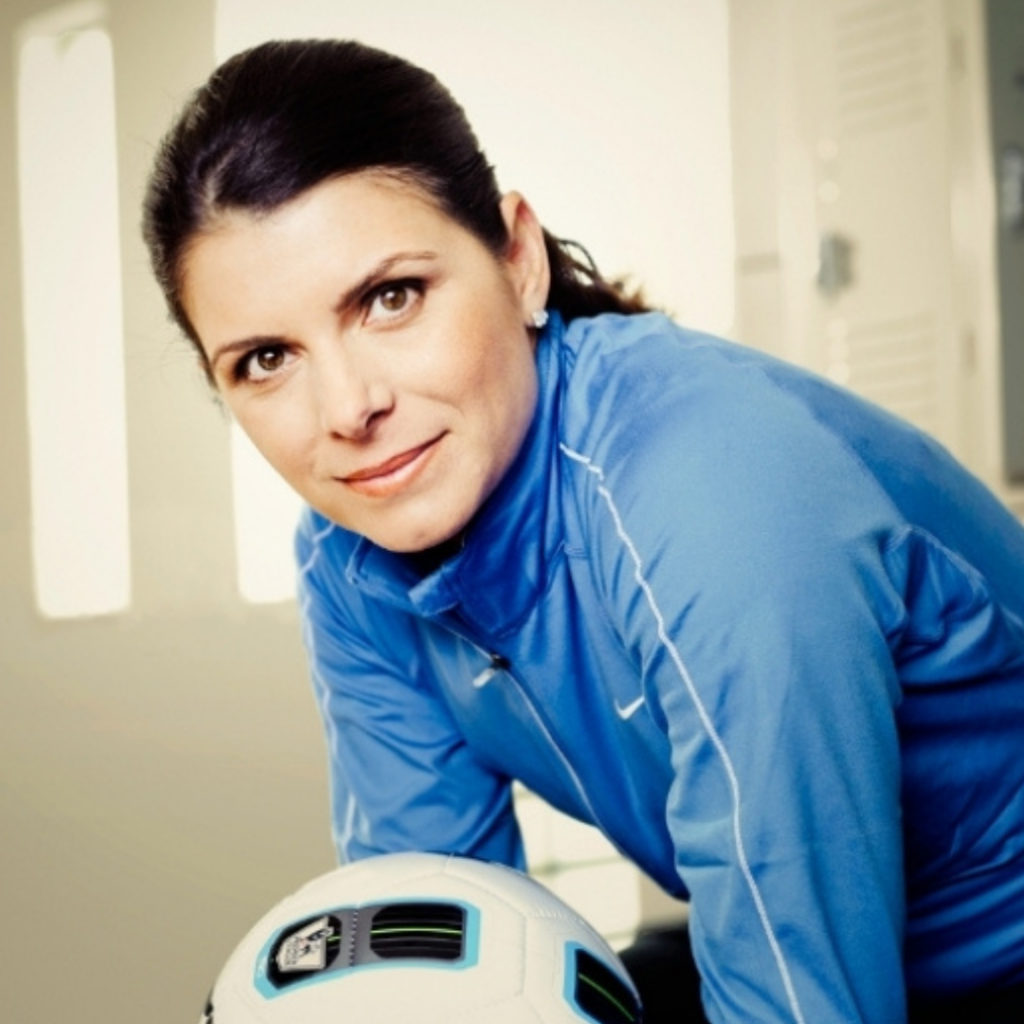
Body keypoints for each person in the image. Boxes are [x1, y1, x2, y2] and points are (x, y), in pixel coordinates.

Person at [142, 38, 1024, 1024]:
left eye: (390, 298)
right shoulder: (351, 562)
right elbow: (427, 959)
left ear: (517, 260)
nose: (348, 408)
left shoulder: (707, 488)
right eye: (266, 358)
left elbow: (807, 998)